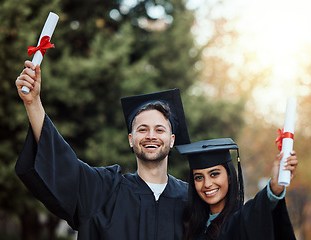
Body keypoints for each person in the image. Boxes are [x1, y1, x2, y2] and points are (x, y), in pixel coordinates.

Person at [14, 61, 191, 240]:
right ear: (131, 139)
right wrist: (33, 103)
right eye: (142, 129)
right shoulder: (103, 191)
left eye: (159, 130)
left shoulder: (191, 199)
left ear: (172, 140)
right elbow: (61, 163)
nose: (151, 136)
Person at [176, 138, 298, 240]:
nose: (207, 184)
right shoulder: (190, 225)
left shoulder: (240, 221)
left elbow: (258, 209)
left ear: (229, 177)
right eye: (198, 177)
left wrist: (275, 188)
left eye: (214, 174)